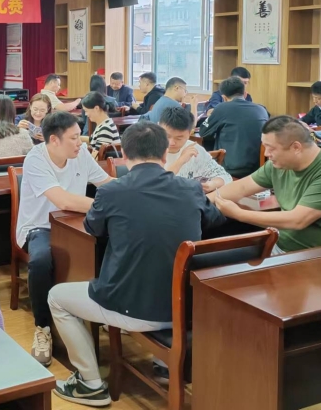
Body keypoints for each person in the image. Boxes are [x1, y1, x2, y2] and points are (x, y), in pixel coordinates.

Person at [48, 122, 225, 405]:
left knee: (57, 297)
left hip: (133, 307)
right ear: (165, 154)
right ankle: (165, 364)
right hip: (187, 305)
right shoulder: (191, 189)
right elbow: (215, 219)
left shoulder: (111, 192)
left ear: (124, 155)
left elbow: (93, 228)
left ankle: (90, 384)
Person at [16, 111, 111, 365]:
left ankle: (107, 312)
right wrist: (104, 206)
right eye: (74, 138)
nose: (81, 142)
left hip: (76, 226)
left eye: (80, 136)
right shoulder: (35, 159)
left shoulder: (81, 154)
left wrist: (132, 190)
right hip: (39, 227)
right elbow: (63, 201)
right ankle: (42, 328)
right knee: (41, 261)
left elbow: (106, 183)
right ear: (54, 140)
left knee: (111, 246)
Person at [211, 115, 321, 254]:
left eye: (271, 148)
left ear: (296, 147)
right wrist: (201, 200)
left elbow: (297, 220)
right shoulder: (279, 165)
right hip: (280, 244)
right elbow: (241, 187)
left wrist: (239, 214)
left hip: (315, 255)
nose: (266, 153)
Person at [200, 76, 268, 179]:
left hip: (230, 168)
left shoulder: (222, 108)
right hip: (258, 168)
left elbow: (203, 132)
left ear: (224, 97)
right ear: (245, 94)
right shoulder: (261, 109)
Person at [159, 107, 231, 193]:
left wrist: (212, 184)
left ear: (189, 133)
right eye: (167, 136)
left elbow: (224, 176)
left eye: (179, 138)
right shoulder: (148, 150)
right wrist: (181, 161)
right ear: (158, 127)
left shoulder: (195, 149)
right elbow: (154, 186)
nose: (171, 143)